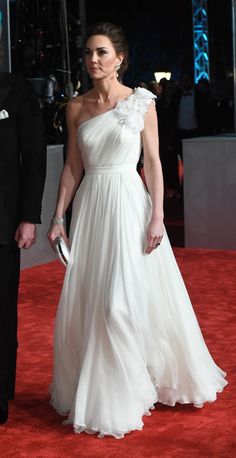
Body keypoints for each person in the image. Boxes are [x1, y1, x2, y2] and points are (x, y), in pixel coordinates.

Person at [48, 22, 227, 439]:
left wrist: (158, 215)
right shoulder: (75, 107)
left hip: (129, 205)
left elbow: (153, 162)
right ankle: (112, 392)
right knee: (97, 302)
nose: (93, 59)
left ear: (120, 58)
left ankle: (126, 392)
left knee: (119, 303)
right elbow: (73, 168)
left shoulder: (141, 102)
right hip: (92, 207)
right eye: (89, 52)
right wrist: (58, 217)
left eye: (102, 52)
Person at [0, 71, 46, 424]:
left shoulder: (17, 90)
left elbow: (34, 157)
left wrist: (29, 216)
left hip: (3, 223)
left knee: (1, 312)